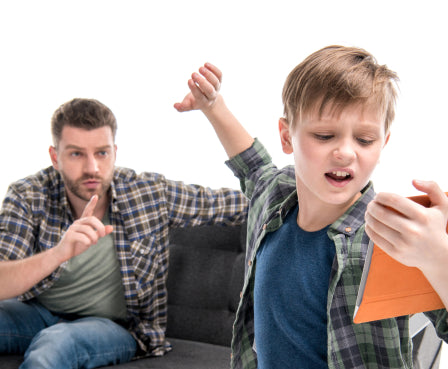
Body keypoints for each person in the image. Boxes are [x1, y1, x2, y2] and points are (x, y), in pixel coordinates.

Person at [174, 46, 448, 368]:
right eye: (325, 135)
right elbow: (252, 165)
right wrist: (213, 106)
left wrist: (439, 256)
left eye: (364, 140)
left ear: (383, 142)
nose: (346, 152)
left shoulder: (392, 238)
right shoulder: (274, 196)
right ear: (287, 137)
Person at [0, 98, 248, 368]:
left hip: (116, 327)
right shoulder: (29, 195)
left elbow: (239, 203)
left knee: (53, 345)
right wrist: (59, 253)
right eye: (76, 154)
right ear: (54, 157)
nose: (92, 167)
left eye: (102, 153)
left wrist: (297, 195)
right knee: (50, 334)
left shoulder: (148, 193)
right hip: (38, 313)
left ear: (114, 153)